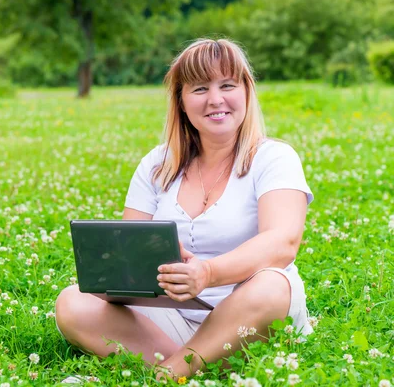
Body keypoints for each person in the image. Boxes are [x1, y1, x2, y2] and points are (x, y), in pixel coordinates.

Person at [55, 38, 314, 379]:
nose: (215, 100)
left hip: (249, 314)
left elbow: (283, 242)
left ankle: (165, 374)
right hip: (173, 316)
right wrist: (123, 274)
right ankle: (198, 365)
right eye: (200, 89)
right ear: (180, 101)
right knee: (73, 301)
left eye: (227, 85)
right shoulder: (157, 164)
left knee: (272, 284)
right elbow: (126, 254)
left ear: (247, 92)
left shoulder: (274, 158)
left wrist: (206, 274)